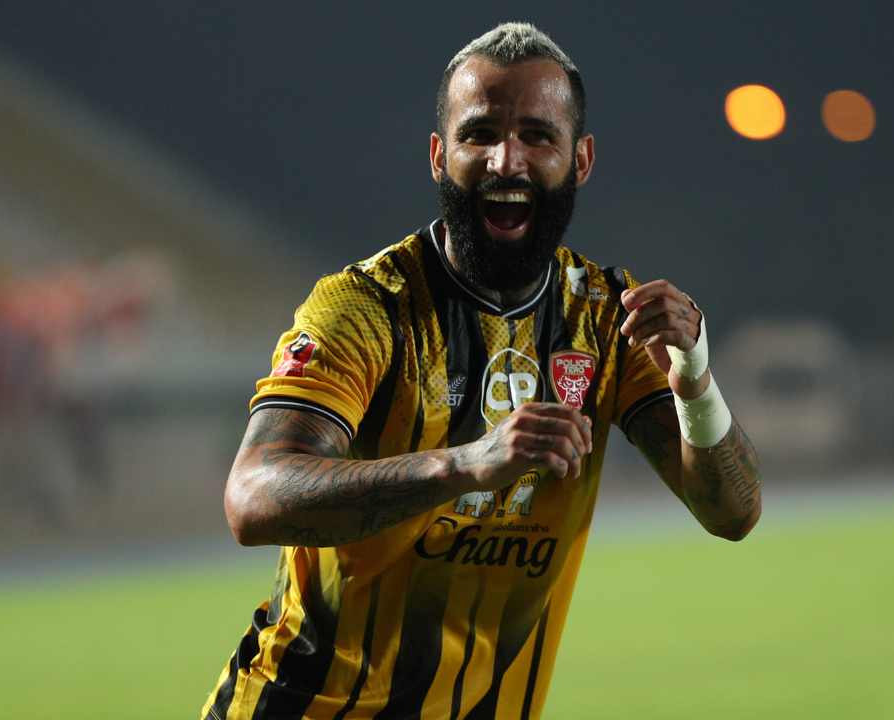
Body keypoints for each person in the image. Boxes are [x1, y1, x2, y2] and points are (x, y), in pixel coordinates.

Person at [203, 23, 761, 720]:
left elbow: (733, 513)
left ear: (581, 159)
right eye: (479, 135)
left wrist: (694, 381)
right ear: (440, 156)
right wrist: (466, 463)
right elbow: (252, 499)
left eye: (537, 135)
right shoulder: (368, 306)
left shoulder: (606, 318)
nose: (506, 160)